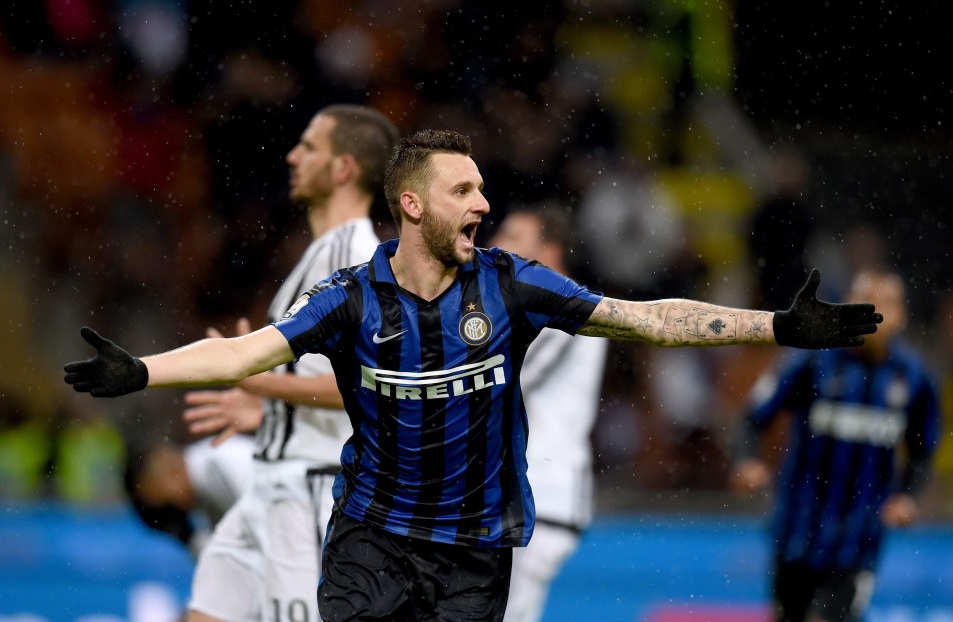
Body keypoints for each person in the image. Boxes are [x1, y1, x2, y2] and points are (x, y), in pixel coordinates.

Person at [64, 129, 882, 621]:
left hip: (474, 553)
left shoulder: (513, 283)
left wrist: (774, 326)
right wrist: (142, 371)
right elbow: (243, 354)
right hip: (371, 541)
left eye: (484, 187)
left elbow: (645, 317)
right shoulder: (350, 299)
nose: (482, 201)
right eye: (465, 189)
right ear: (414, 205)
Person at [165, 104, 398, 622]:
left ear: (343, 169)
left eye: (309, 147)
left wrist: (261, 387)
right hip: (269, 480)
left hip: (310, 487)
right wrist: (271, 412)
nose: (293, 156)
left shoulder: (361, 259)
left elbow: (373, 385)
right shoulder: (318, 253)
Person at [731, 269, 940, 622]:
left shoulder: (914, 377)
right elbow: (753, 416)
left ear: (902, 314)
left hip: (859, 540)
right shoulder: (813, 359)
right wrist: (746, 461)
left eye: (884, 302)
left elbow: (923, 449)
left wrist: (908, 496)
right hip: (797, 529)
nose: (874, 311)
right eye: (864, 301)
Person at [489, 204, 609, 622]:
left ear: (550, 252)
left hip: (543, 493)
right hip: (521, 493)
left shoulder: (568, 306)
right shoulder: (533, 308)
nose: (496, 246)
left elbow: (508, 379)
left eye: (513, 237)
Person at [123, 435, 255, 557]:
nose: (173, 510)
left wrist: (194, 542)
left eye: (164, 502)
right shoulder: (206, 464)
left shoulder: (213, 473)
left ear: (172, 471)